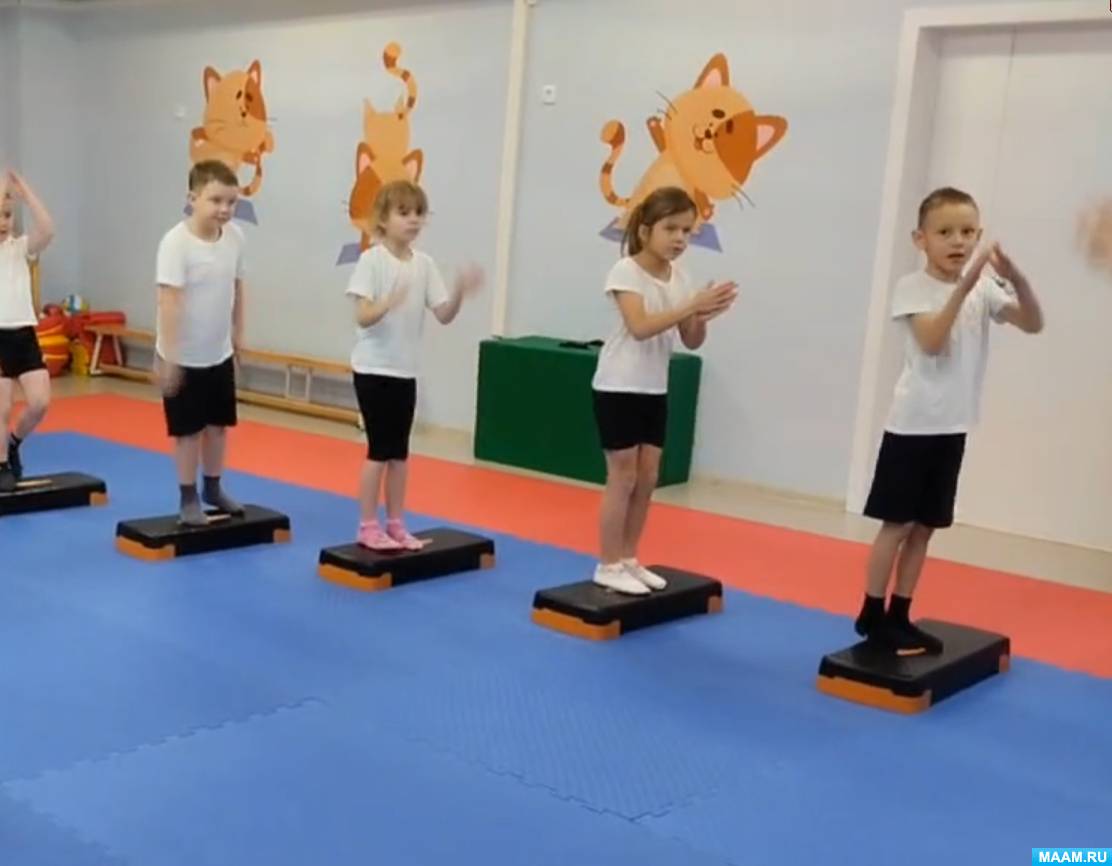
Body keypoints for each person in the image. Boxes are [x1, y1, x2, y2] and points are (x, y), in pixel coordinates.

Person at [856, 186, 1044, 653]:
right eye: (944, 232)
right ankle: (872, 611)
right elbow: (933, 341)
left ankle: (901, 612)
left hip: (952, 426)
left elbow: (1033, 323)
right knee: (897, 525)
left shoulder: (985, 287)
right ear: (920, 239)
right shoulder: (912, 287)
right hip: (912, 425)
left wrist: (1017, 280)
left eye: (967, 232)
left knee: (926, 527)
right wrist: (964, 286)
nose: (957, 241)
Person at [590, 185, 738, 595]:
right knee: (622, 476)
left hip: (653, 387)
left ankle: (629, 558)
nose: (679, 239)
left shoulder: (681, 278)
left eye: (687, 231)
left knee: (648, 477)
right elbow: (640, 327)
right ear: (646, 231)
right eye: (670, 228)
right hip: (618, 384)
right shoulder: (625, 271)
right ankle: (607, 563)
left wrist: (702, 314)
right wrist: (690, 305)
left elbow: (690, 339)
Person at [346, 179, 482, 551]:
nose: (413, 220)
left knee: (400, 454)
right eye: (403, 213)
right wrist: (386, 303)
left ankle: (396, 523)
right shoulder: (372, 261)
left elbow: (443, 314)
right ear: (383, 219)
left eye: (419, 213)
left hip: (405, 371)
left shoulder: (424, 264)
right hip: (373, 369)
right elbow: (362, 315)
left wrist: (459, 291)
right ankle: (367, 525)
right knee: (379, 450)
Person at [154, 159, 247, 525]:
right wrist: (170, 357)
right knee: (188, 432)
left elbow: (237, 287)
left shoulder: (235, 238)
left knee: (218, 426)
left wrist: (239, 333)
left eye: (231, 202)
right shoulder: (176, 243)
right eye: (216, 200)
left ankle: (213, 486)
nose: (224, 209)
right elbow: (169, 301)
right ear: (192, 198)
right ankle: (188, 496)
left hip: (218, 351)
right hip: (183, 355)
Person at [0, 169, 55, 493]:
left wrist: (25, 191)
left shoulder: (20, 248)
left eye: (7, 215)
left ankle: (14, 443)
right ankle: (1, 464)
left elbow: (47, 228)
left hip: (23, 335)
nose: (3, 222)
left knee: (39, 403)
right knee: (2, 406)